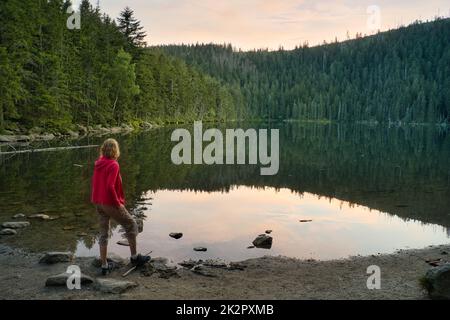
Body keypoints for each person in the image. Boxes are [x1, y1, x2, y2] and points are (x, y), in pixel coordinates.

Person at [91, 138, 150, 275]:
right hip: (110, 203)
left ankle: (104, 265)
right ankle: (135, 257)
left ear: (103, 149)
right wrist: (117, 203)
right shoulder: (113, 165)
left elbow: (96, 184)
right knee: (131, 224)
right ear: (115, 150)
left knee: (104, 233)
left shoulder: (98, 164)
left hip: (98, 203)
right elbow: (110, 186)